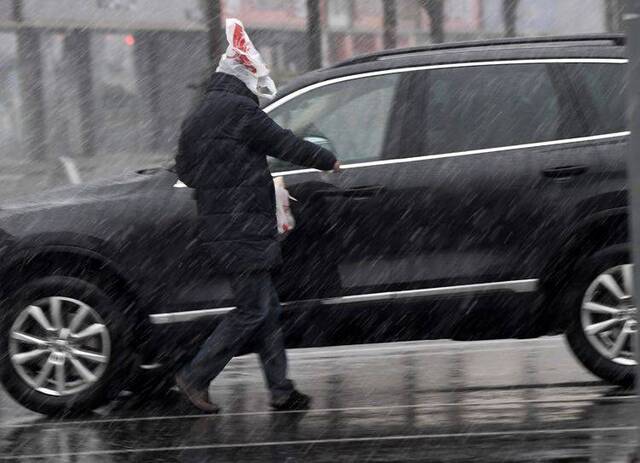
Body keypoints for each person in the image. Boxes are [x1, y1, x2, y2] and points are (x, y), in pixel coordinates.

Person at [174, 20, 339, 413]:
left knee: (267, 308)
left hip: (221, 226)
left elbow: (186, 171)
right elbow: (283, 142)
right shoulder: (241, 113)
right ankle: (195, 376)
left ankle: (281, 389)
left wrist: (218, 186)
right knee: (252, 310)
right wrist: (325, 160)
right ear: (244, 79)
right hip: (245, 225)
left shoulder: (197, 118)